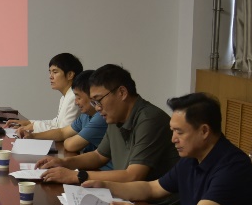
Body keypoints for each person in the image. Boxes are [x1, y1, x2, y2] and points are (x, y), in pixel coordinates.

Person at [92, 92, 252, 205]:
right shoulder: (191, 158)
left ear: (204, 131)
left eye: (179, 132)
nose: (173, 139)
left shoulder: (234, 167)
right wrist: (104, 185)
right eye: (172, 131)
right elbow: (152, 188)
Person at [37, 64, 179, 194]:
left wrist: (77, 175)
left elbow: (133, 175)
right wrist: (64, 163)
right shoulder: (114, 117)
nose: (97, 107)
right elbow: (98, 156)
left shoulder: (149, 119)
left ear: (122, 92)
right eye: (94, 102)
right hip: (126, 195)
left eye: (99, 100)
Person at [17, 70, 110, 166]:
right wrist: (33, 136)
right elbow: (62, 132)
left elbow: (71, 145)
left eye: (79, 98)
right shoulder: (85, 115)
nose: (76, 102)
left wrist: (69, 139)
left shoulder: (100, 117)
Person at [6, 52, 81, 137]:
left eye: (55, 72)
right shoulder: (65, 96)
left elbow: (63, 130)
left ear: (70, 75)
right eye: (50, 72)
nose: (50, 76)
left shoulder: (74, 97)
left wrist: (34, 126)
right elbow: (56, 123)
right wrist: (29, 123)